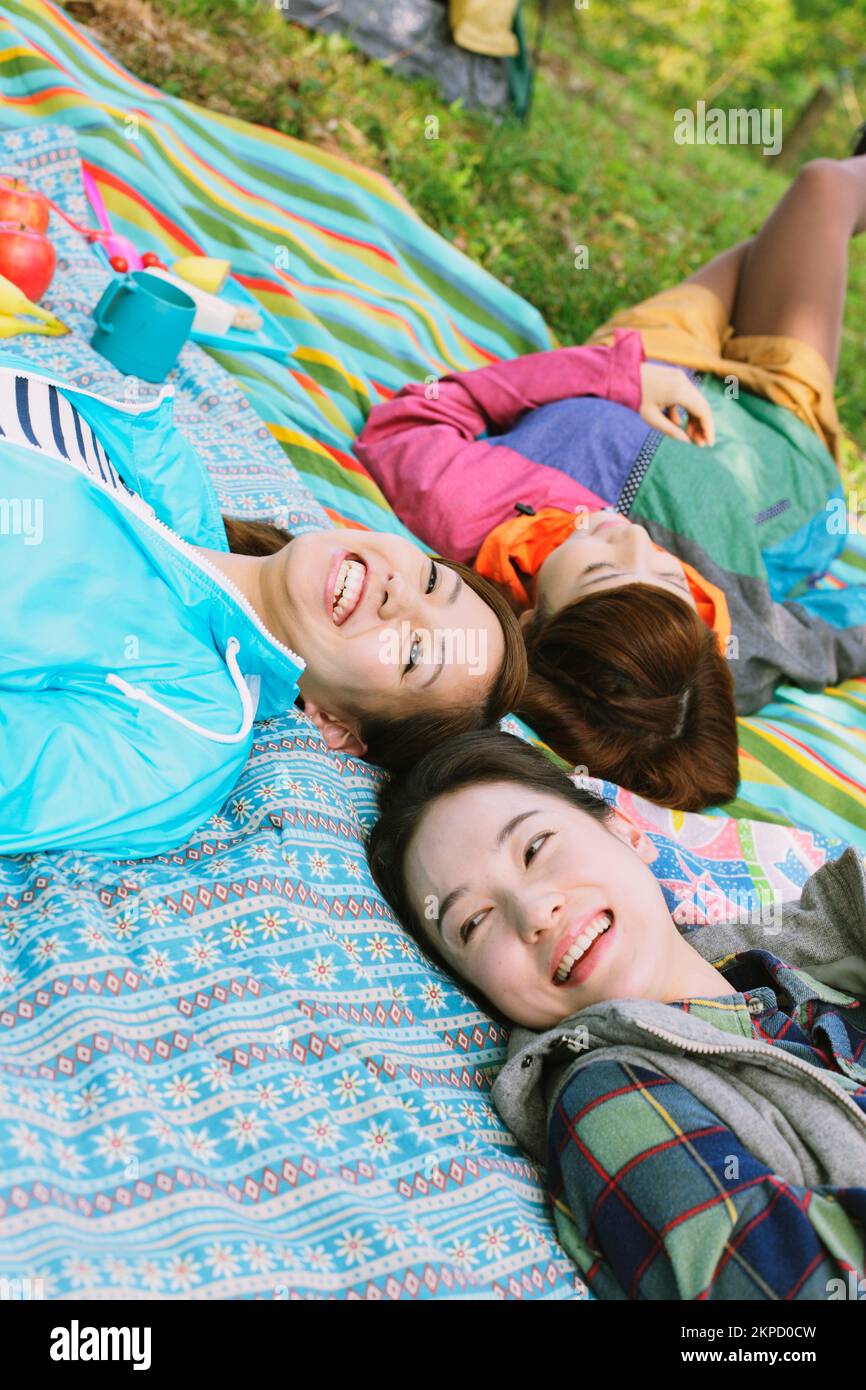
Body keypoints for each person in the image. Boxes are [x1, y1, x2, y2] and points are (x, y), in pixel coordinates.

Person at [355, 154, 866, 809]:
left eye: (599, 570)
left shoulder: (462, 509)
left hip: (639, 362)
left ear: (533, 619)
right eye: (667, 574)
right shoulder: (714, 640)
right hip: (776, 425)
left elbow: (415, 414)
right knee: (822, 188)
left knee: (782, 237)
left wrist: (616, 377)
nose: (629, 540)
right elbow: (831, 638)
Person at [368, 728, 866, 1300]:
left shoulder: (797, 970)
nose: (533, 911)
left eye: (535, 848)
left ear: (625, 831)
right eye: (474, 923)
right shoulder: (609, 1095)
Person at [0, 352, 524, 859]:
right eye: (431, 581)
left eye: (413, 653)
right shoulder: (173, 477)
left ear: (335, 726)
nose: (399, 594)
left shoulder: (181, 733)